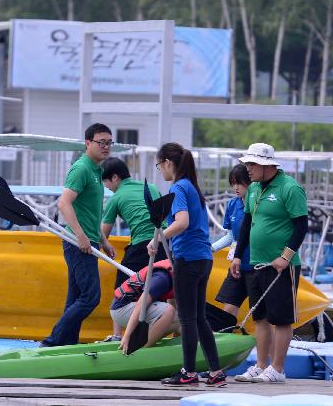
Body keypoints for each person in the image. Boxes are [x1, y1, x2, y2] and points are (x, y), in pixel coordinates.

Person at [230, 143, 308, 383]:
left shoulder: (289, 188)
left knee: (281, 318)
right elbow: (247, 223)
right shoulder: (253, 189)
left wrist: (285, 256)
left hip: (280, 266)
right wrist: (238, 254)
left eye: (252, 164)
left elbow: (301, 225)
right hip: (256, 263)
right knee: (260, 316)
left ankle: (278, 368)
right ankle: (261, 364)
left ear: (267, 165)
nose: (248, 169)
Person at [150, 142, 225, 387]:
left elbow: (182, 222)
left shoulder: (179, 187)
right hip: (203, 258)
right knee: (199, 317)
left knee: (187, 318)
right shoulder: (192, 186)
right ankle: (215, 371)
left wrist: (159, 238)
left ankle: (189, 372)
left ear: (168, 163)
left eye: (160, 165)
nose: (160, 170)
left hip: (189, 258)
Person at [40, 123, 114, 347]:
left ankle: (65, 342)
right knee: (91, 297)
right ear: (88, 143)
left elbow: (92, 212)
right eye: (101, 142)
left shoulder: (97, 170)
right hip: (77, 242)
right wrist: (81, 236)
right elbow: (64, 203)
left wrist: (103, 240)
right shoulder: (82, 168)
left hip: (90, 240)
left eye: (109, 143)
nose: (106, 147)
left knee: (76, 297)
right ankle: (52, 340)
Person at [100, 157, 168, 340]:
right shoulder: (151, 187)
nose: (107, 187)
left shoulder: (116, 198)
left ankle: (117, 335)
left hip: (141, 247)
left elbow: (103, 234)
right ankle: (162, 332)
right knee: (161, 288)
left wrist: (105, 246)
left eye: (106, 182)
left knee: (121, 290)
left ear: (114, 178)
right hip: (164, 243)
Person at [211, 164, 252, 318]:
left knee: (261, 315)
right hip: (237, 266)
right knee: (227, 311)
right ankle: (226, 337)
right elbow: (230, 236)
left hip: (257, 266)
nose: (236, 187)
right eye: (233, 183)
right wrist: (211, 248)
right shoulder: (232, 205)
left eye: (239, 183)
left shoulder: (259, 205)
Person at [113, 259, 179, 352]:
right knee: (168, 311)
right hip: (122, 309)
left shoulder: (178, 275)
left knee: (182, 319)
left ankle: (180, 349)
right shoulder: (162, 278)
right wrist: (127, 335)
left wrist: (176, 337)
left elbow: (173, 301)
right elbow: (141, 304)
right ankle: (140, 350)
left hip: (139, 309)